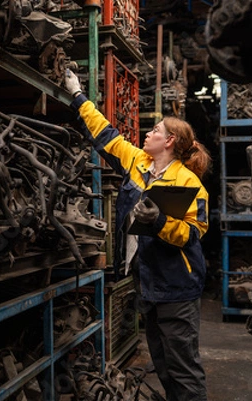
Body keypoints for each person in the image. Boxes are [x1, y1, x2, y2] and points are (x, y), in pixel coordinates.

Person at [64, 69, 211, 401]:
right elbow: (105, 135)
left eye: (156, 130)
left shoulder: (189, 183)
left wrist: (158, 221)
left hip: (177, 286)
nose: (148, 133)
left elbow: (192, 234)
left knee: (183, 366)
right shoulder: (138, 163)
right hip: (148, 284)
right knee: (162, 362)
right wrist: (78, 96)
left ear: (170, 141)